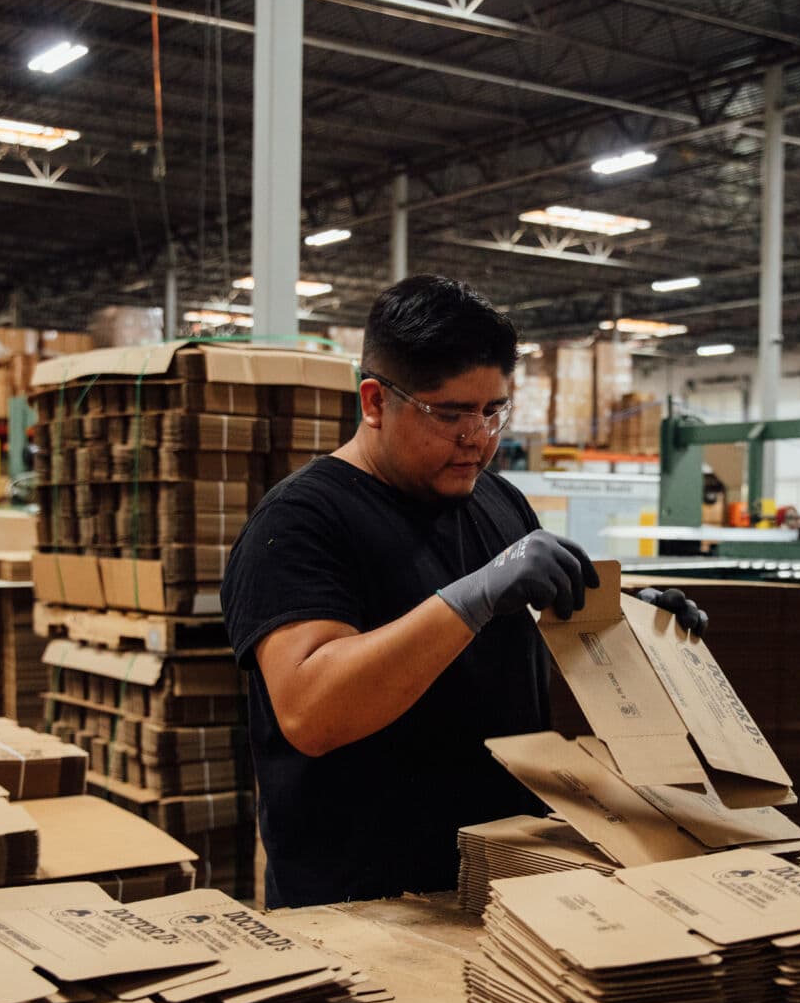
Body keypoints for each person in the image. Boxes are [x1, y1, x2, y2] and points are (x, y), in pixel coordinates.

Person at [221, 275, 708, 908]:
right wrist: (471, 598)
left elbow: (534, 666)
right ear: (374, 401)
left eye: (492, 411)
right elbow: (311, 713)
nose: (477, 438)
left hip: (502, 881)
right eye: (448, 413)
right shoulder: (300, 522)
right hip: (360, 903)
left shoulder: (499, 502)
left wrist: (633, 625)